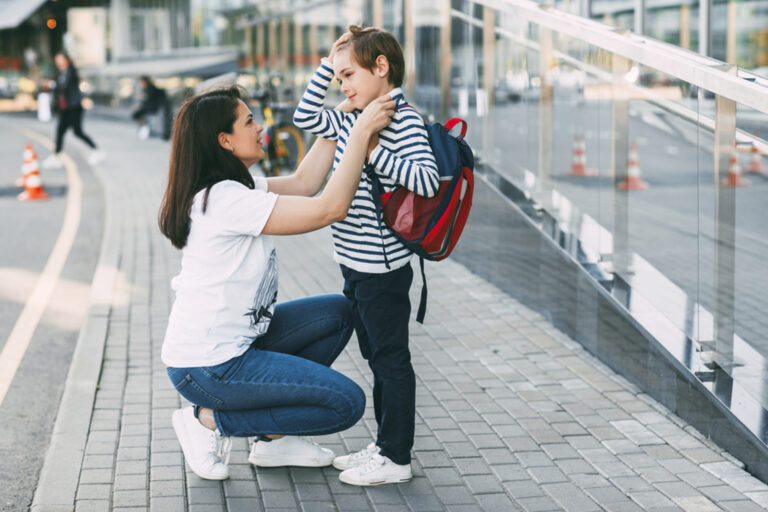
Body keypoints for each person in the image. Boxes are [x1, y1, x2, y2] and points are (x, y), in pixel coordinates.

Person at [158, 85, 396, 481]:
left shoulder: (238, 187)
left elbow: (306, 182)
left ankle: (273, 440)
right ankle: (209, 421)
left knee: (337, 314)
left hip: (232, 347)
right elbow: (329, 208)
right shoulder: (226, 200)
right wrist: (359, 136)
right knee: (345, 404)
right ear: (225, 140)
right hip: (208, 366)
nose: (260, 127)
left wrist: (343, 112)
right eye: (249, 121)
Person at [293, 26, 439, 486]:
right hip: (354, 261)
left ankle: (396, 457)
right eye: (338, 79)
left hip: (382, 268)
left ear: (382, 67)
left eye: (349, 75)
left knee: (390, 359)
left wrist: (371, 149)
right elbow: (304, 117)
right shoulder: (354, 114)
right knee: (376, 356)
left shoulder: (403, 119)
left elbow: (426, 181)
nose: (344, 86)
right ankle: (382, 445)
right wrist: (328, 61)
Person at [43, 52, 103, 169]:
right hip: (66, 108)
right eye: (57, 60)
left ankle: (96, 150)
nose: (58, 62)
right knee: (61, 131)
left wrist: (52, 85)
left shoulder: (71, 72)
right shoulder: (62, 73)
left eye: (60, 59)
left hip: (74, 108)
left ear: (67, 60)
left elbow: (64, 87)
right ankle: (57, 156)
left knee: (77, 132)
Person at [132, 75, 171, 140]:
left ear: (145, 81)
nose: (141, 84)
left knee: (136, 114)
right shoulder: (147, 89)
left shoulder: (150, 88)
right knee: (136, 114)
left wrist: (142, 102)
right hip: (149, 107)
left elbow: (150, 100)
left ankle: (144, 127)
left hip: (152, 108)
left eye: (142, 82)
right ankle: (144, 126)